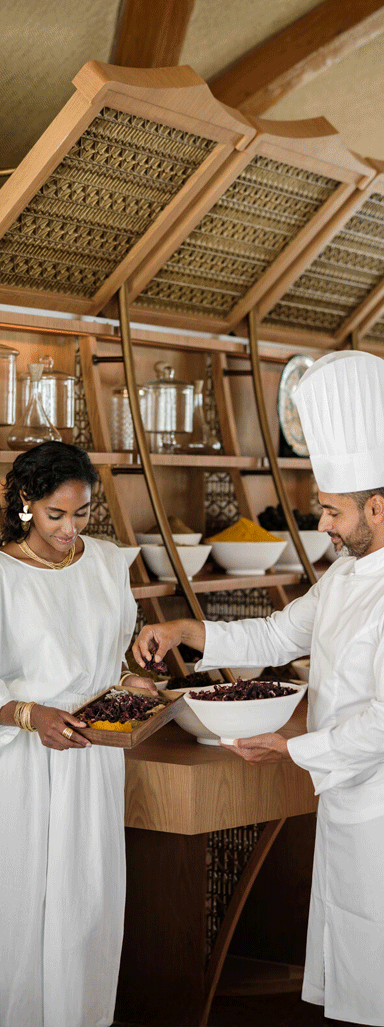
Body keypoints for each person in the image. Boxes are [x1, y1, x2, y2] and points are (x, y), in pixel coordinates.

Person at [133, 350, 384, 1027]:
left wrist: (292, 746)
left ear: (377, 507)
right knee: (359, 960)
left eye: (333, 512)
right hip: (349, 795)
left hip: (376, 795)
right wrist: (191, 629)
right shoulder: (346, 572)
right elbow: (276, 635)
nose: (323, 525)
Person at [0, 440, 156, 1027]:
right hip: (24, 768)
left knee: (88, 906)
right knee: (21, 906)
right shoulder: (4, 576)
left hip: (92, 760)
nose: (71, 529)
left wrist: (131, 681)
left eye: (83, 512)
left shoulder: (107, 561)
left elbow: (110, 659)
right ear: (25, 503)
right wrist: (28, 715)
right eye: (55, 515)